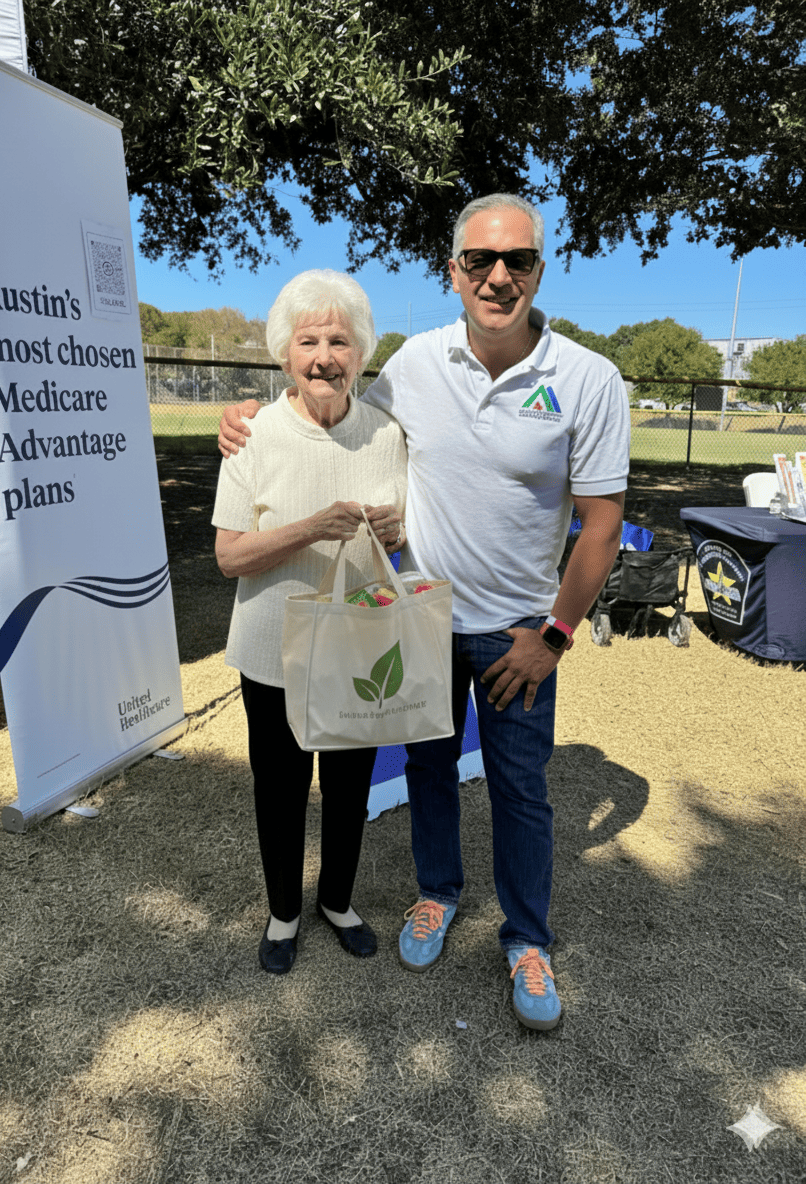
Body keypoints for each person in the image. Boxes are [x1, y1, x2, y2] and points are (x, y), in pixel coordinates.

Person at [218, 195, 629, 1026]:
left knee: (520, 789)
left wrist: (554, 635)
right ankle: (436, 895)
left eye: (516, 260)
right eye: (480, 260)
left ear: (540, 270)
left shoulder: (587, 377)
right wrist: (243, 417)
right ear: (454, 271)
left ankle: (527, 942)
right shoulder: (416, 364)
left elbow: (604, 524)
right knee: (431, 772)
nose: (498, 275)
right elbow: (327, 414)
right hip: (424, 621)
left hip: (519, 632)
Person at [212, 269, 407, 975]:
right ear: (285, 354)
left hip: (357, 644)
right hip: (272, 650)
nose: (325, 355)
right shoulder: (253, 434)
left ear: (361, 353)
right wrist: (310, 528)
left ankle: (337, 901)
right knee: (282, 785)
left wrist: (396, 530)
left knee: (350, 785)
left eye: (340, 340)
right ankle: (283, 913)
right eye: (309, 341)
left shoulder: (388, 434)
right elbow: (230, 557)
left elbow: (404, 536)